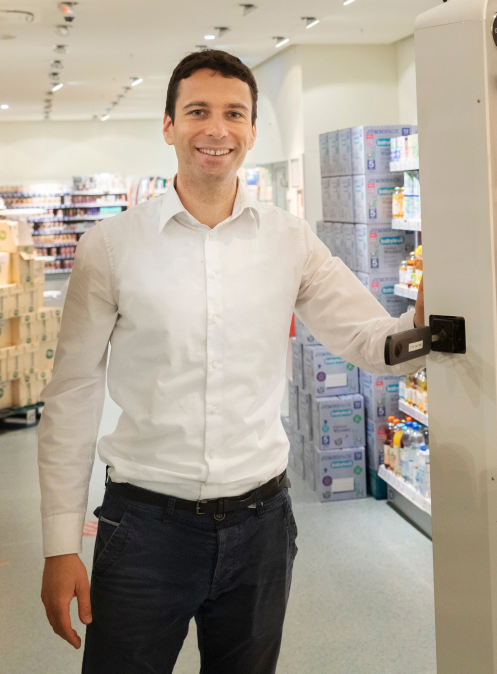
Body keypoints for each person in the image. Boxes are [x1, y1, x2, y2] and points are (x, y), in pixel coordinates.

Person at [37, 49, 426, 674]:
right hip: (143, 528)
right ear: (168, 126)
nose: (216, 130)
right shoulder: (110, 246)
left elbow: (370, 342)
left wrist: (430, 319)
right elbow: (73, 393)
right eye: (197, 111)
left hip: (261, 527)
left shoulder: (288, 239)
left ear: (250, 131)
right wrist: (60, 545)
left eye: (233, 114)